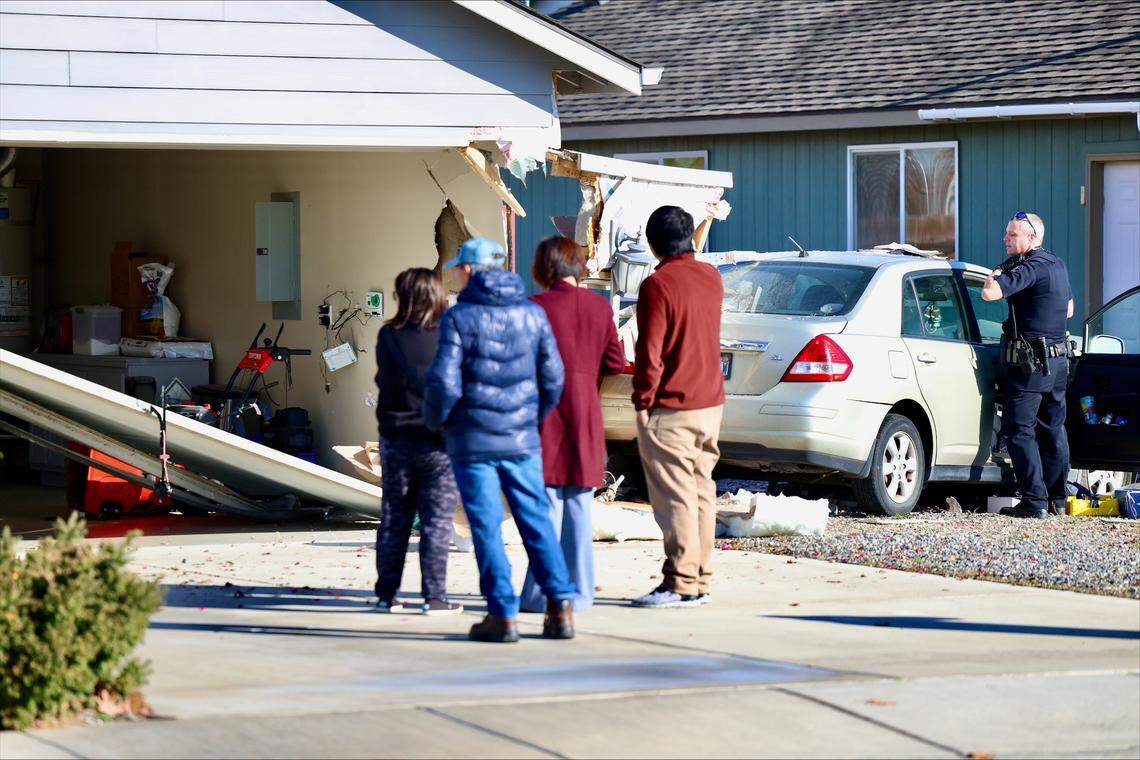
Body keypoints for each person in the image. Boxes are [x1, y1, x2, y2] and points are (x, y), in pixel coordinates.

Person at [423, 237, 577, 643]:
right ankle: (560, 608)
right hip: (522, 440)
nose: (456, 273)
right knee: (536, 522)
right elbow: (553, 379)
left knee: (487, 527)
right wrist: (529, 419)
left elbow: (443, 382)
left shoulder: (459, 317)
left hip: (473, 443)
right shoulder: (532, 313)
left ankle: (502, 615)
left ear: (470, 270)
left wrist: (437, 423)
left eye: (459, 267)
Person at [519, 236, 626, 614]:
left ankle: (539, 594)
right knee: (579, 508)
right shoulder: (599, 309)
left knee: (544, 509)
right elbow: (615, 361)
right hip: (584, 413)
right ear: (577, 267)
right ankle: (579, 594)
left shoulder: (532, 308)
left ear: (542, 269)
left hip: (543, 415)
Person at [630, 206, 725, 608]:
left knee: (675, 498)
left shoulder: (658, 284)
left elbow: (650, 352)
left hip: (672, 405)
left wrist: (642, 402)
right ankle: (700, 578)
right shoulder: (712, 277)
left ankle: (680, 582)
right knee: (702, 492)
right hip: (711, 403)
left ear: (653, 244)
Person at [373, 268, 462, 614]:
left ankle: (386, 594)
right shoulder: (446, 335)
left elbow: (384, 379)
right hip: (437, 441)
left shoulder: (388, 336)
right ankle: (434, 597)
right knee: (436, 521)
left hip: (396, 439)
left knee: (395, 517)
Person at [981, 211, 1074, 519]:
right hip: (1058, 361)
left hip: (1030, 364)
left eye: (1012, 235)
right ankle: (1057, 499)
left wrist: (995, 273)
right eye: (1007, 233)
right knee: (1053, 430)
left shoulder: (1030, 267)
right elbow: (1069, 309)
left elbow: (990, 294)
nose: (1005, 239)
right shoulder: (1056, 265)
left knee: (1019, 430)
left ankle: (1034, 502)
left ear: (1032, 238)